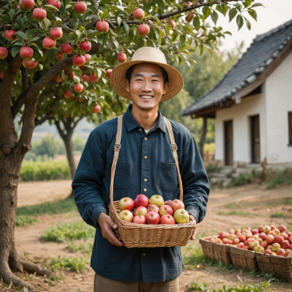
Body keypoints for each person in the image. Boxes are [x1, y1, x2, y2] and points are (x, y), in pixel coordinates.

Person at [72, 46, 210, 292]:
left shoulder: (180, 137)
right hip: (114, 266)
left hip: (164, 268)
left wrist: (191, 213)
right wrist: (99, 216)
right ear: (128, 85)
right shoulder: (103, 135)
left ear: (164, 88)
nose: (147, 87)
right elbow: (85, 184)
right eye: (139, 79)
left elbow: (197, 184)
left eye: (155, 80)